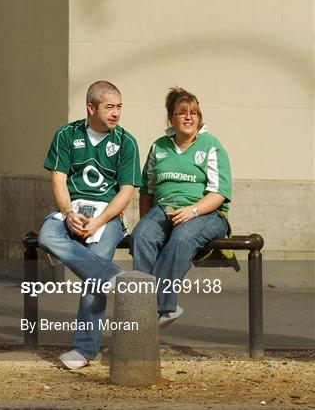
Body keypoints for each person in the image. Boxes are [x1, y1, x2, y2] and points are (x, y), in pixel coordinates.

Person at [38, 81, 142, 369]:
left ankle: (84, 349)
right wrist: (68, 213)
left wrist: (100, 220)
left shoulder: (126, 141)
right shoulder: (66, 135)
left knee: (92, 271)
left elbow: (126, 191)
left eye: (119, 106)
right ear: (91, 108)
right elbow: (58, 179)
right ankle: (113, 277)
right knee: (47, 235)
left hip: (107, 216)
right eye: (110, 107)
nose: (116, 113)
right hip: (72, 209)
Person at [130, 87, 231, 327]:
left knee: (181, 239)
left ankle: (157, 307)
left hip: (206, 212)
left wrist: (192, 211)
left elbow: (219, 193)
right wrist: (147, 223)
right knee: (141, 236)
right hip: (164, 209)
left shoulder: (211, 146)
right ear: (171, 118)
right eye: (182, 113)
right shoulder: (159, 147)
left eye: (194, 113)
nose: (189, 118)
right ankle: (153, 312)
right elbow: (147, 189)